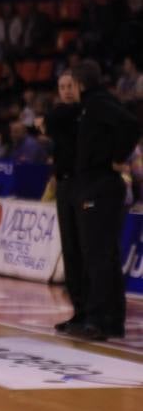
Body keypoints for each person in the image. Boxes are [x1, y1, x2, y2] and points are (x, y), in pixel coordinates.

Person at [63, 60, 140, 340]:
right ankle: (111, 321)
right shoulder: (94, 104)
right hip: (97, 185)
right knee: (103, 255)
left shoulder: (96, 103)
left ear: (81, 83)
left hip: (99, 186)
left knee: (97, 256)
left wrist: (117, 157)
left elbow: (131, 125)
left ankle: (98, 321)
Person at [43, 72, 83, 333]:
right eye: (62, 87)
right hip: (65, 183)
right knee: (70, 249)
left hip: (85, 185)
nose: (66, 91)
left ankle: (91, 312)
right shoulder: (60, 114)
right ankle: (78, 311)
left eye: (70, 86)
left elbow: (48, 122)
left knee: (83, 249)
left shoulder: (84, 113)